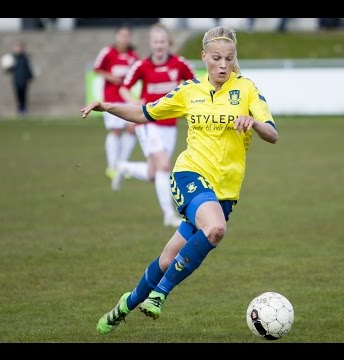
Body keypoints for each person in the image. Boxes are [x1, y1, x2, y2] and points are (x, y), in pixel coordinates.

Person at [81, 25, 278, 335]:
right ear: (205, 58)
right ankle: (160, 294)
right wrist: (107, 106)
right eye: (216, 58)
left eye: (228, 58)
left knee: (168, 258)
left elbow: (272, 133)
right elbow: (145, 112)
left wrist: (253, 122)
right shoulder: (189, 90)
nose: (223, 65)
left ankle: (125, 305)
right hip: (190, 174)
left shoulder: (248, 90)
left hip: (225, 190)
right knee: (215, 229)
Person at [114, 23, 195, 227]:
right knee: (164, 167)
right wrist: (135, 104)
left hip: (170, 125)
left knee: (153, 173)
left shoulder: (179, 63)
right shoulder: (142, 65)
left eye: (162, 41)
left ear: (169, 43)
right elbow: (124, 88)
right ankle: (168, 215)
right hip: (148, 122)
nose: (159, 45)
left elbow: (195, 86)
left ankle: (123, 167)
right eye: (155, 41)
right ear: (151, 44)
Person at [93, 25, 139, 180]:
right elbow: (97, 69)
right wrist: (111, 77)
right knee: (116, 130)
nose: (124, 39)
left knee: (132, 128)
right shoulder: (107, 52)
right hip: (111, 98)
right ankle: (112, 166)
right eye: (121, 35)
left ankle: (122, 164)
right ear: (116, 36)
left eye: (127, 35)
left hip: (126, 98)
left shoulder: (133, 55)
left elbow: (139, 72)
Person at [7, 40, 34, 115]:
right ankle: (20, 108)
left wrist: (30, 77)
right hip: (16, 80)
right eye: (16, 47)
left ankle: (23, 109)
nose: (18, 49)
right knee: (18, 94)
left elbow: (28, 68)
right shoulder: (12, 58)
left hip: (24, 79)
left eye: (19, 47)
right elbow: (9, 69)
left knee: (24, 95)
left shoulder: (25, 57)